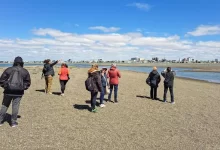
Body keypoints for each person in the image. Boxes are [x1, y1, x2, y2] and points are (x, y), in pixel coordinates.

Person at [0, 56, 31, 127]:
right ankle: (13, 122)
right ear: (21, 63)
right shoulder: (24, 71)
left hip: (8, 91)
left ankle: (0, 121)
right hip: (18, 92)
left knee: (5, 105)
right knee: (15, 106)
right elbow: (28, 82)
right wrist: (23, 87)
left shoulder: (9, 69)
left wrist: (6, 86)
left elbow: (1, 80)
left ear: (14, 62)